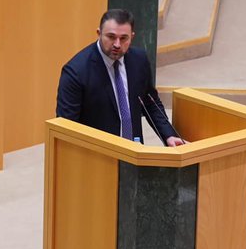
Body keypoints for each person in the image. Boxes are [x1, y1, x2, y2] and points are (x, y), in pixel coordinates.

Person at [56, 8, 185, 147]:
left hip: (135, 152)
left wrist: (169, 134)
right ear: (99, 33)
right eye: (111, 37)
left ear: (132, 37)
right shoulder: (76, 71)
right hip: (98, 156)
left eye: (123, 38)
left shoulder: (139, 60)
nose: (117, 44)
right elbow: (66, 128)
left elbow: (150, 102)